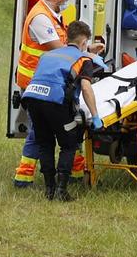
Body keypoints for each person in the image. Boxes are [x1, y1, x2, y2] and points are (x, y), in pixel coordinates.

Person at [19, 20, 103, 201]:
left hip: (32, 99)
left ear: (66, 38)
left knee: (45, 143)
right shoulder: (83, 59)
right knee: (69, 144)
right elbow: (86, 88)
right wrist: (95, 116)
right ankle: (61, 190)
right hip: (55, 103)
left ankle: (49, 189)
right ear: (83, 43)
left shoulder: (49, 55)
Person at [12, 0, 79, 188]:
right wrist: (84, 53)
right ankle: (23, 177)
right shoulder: (40, 18)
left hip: (47, 81)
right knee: (38, 130)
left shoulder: (52, 14)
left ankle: (76, 169)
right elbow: (59, 49)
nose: (68, 1)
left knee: (59, 126)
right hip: (36, 82)